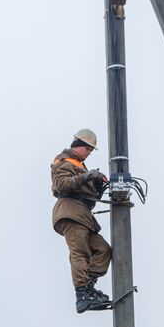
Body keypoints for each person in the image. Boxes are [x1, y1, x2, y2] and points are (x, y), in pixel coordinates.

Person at [51, 129, 112, 312]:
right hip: (71, 213)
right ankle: (82, 295)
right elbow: (62, 185)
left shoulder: (78, 164)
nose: (90, 153)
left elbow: (84, 190)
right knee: (80, 252)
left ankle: (87, 286)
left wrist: (96, 184)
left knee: (103, 250)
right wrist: (86, 177)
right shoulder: (63, 161)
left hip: (83, 215)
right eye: (88, 149)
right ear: (79, 146)